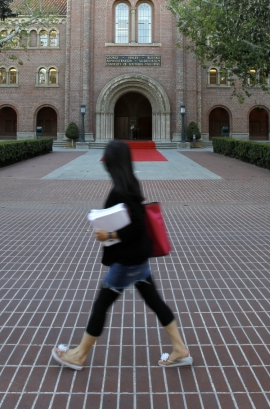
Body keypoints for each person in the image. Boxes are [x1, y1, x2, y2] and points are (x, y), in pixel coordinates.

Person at [52, 140, 192, 370]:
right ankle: (179, 348)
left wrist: (108, 234)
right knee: (155, 301)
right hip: (138, 260)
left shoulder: (121, 190)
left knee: (101, 304)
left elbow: (136, 226)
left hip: (127, 263)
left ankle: (78, 355)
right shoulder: (129, 184)